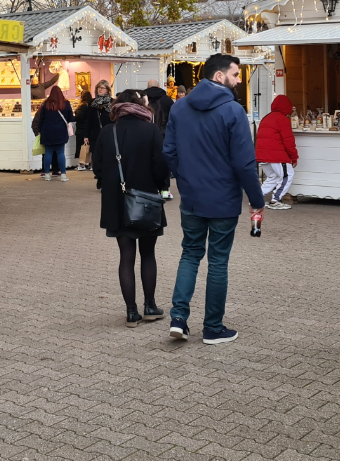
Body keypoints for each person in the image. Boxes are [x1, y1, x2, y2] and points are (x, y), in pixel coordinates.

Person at [163, 54, 265, 345]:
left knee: (190, 253)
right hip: (223, 198)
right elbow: (245, 163)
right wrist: (257, 200)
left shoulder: (180, 108)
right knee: (218, 261)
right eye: (235, 75)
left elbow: (169, 151)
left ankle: (179, 319)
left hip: (192, 196)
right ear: (219, 76)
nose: (238, 81)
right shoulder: (233, 111)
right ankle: (213, 327)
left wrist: (183, 178)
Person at [92, 90, 170, 327]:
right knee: (148, 254)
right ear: (139, 105)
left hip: (117, 202)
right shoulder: (151, 130)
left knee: (126, 256)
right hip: (145, 201)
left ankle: (131, 312)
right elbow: (161, 166)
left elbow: (97, 168)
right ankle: (150, 306)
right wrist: (161, 188)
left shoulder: (108, 132)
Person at [255, 94, 298, 210]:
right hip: (277, 156)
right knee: (287, 175)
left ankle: (256, 199)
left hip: (262, 155)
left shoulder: (266, 118)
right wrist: (294, 157)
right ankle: (275, 200)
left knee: (273, 177)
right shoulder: (283, 120)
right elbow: (288, 141)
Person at [32, 86, 74, 181]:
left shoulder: (46, 104)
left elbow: (41, 119)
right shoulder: (66, 103)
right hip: (60, 132)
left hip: (47, 132)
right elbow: (70, 118)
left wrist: (39, 130)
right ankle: (63, 175)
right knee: (60, 153)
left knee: (48, 153)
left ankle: (47, 174)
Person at [81, 80, 114, 156]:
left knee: (108, 155)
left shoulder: (112, 102)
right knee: (96, 156)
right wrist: (86, 135)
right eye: (98, 87)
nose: (100, 89)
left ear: (107, 90)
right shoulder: (92, 102)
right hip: (95, 133)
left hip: (109, 133)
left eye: (102, 88)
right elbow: (88, 119)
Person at [74, 91, 94, 170]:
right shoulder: (92, 105)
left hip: (81, 129)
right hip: (90, 129)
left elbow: (79, 117)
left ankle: (82, 164)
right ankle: (90, 164)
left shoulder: (83, 106)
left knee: (81, 147)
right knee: (90, 148)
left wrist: (72, 117)